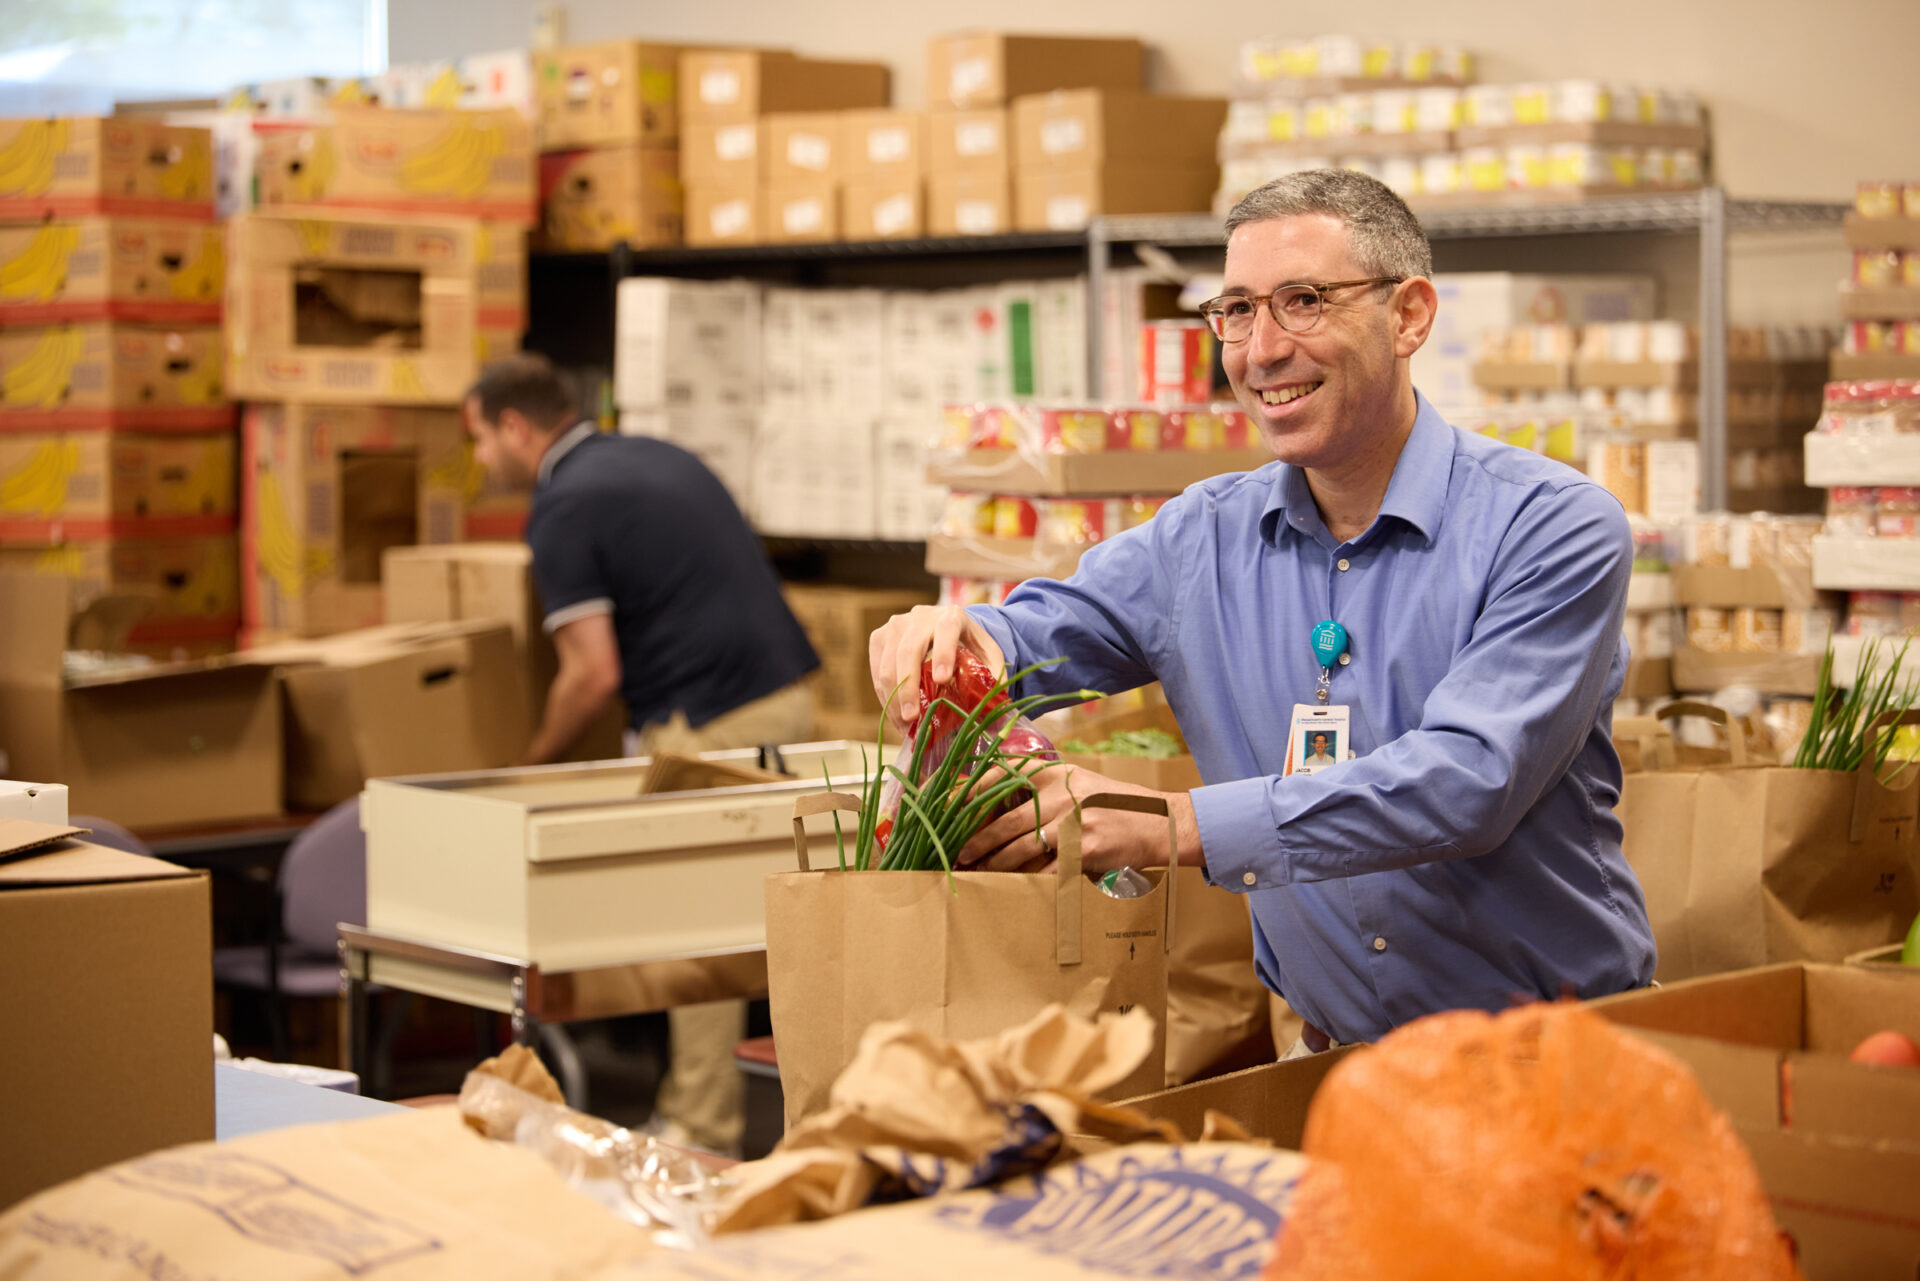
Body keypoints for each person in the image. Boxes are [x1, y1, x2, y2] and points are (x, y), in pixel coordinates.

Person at [869, 169, 1657, 1056]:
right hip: (1332, 1063)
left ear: (1409, 316)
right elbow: (1031, 641)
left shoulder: (1550, 524)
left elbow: (1465, 783)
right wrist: (946, 643)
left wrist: (1165, 823)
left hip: (1556, 1062)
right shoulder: (1200, 538)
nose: (1262, 349)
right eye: (1237, 310)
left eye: (1305, 301)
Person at [465, 354, 819, 1153]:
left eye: (481, 440)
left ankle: (700, 1132)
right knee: (792, 927)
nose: (483, 460)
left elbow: (593, 674)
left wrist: (529, 765)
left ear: (516, 427)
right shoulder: (656, 455)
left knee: (695, 937)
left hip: (712, 724)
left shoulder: (562, 506)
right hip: (790, 704)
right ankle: (812, 1125)